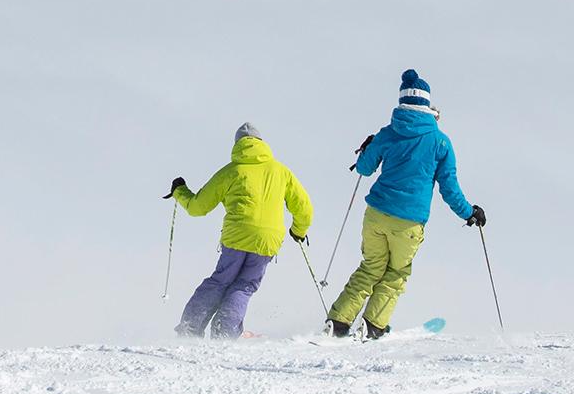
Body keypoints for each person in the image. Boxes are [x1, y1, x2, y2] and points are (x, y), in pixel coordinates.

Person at [327, 69, 483, 340]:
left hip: (376, 215)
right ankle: (374, 325)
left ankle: (339, 321)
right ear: (428, 105)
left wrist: (369, 146)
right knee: (396, 273)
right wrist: (469, 213)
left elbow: (364, 169)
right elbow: (449, 189)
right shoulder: (440, 142)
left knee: (371, 267)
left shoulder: (387, 134)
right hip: (409, 222)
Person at [168, 122, 313, 339]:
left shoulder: (231, 171)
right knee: (244, 286)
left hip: (237, 237)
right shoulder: (281, 171)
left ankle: (190, 327)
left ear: (238, 145)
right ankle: (224, 332)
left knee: (220, 280)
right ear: (262, 144)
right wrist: (298, 231)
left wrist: (180, 191)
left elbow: (198, 207)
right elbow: (304, 208)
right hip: (267, 240)